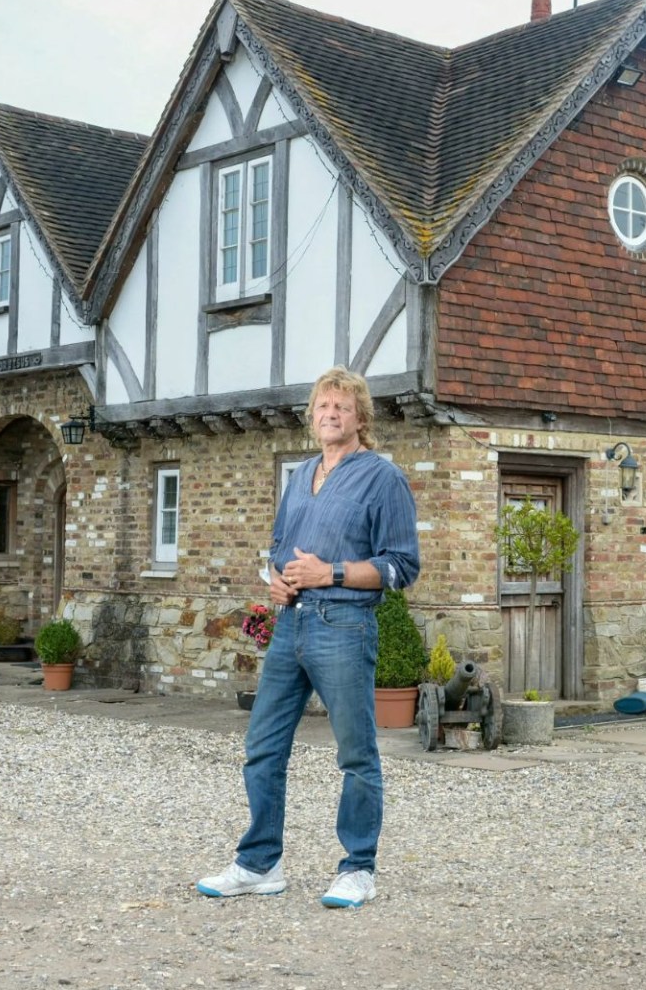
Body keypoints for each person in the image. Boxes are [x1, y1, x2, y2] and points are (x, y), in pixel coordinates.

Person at [197, 367, 420, 909]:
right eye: (322, 406)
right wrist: (274, 578)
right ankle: (258, 864)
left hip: (344, 626)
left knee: (356, 754)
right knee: (263, 747)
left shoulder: (382, 479)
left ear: (360, 418)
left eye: (340, 407)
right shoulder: (300, 475)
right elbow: (280, 544)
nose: (329, 415)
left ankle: (358, 867)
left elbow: (402, 566)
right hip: (291, 624)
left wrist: (332, 574)